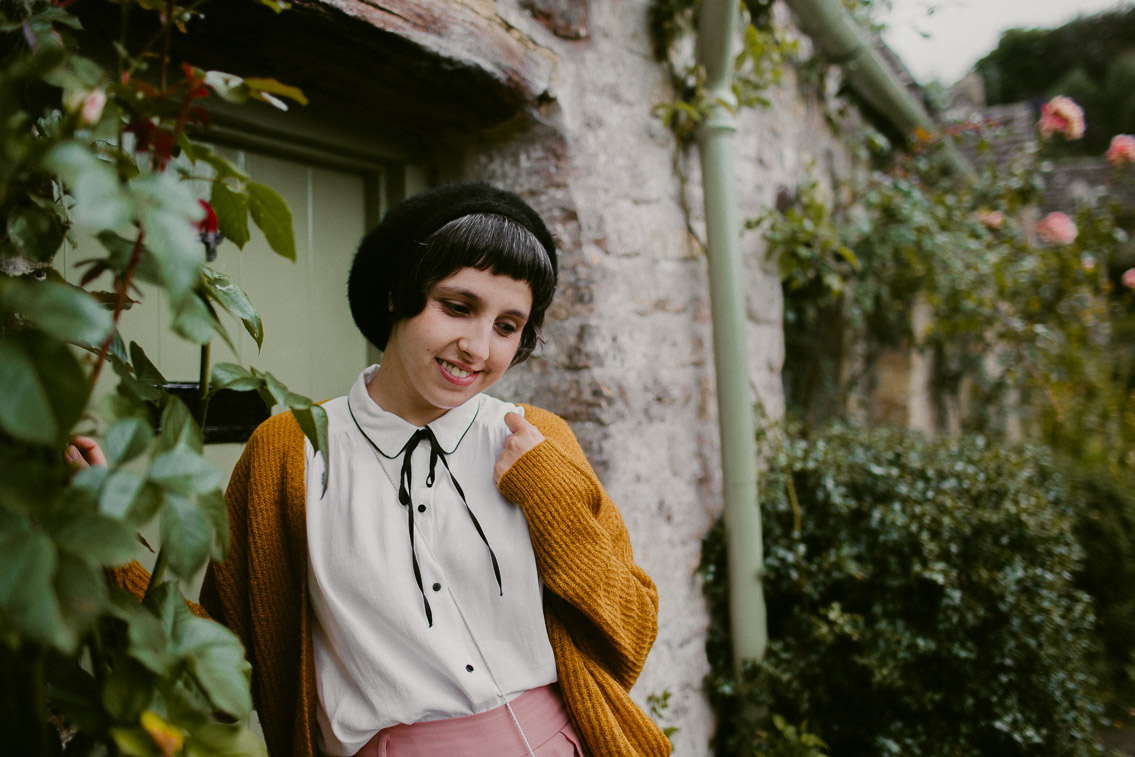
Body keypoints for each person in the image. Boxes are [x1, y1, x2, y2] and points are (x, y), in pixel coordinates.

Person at [110, 182, 670, 757]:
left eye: (507, 326)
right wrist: (106, 556)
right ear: (396, 295)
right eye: (458, 307)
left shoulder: (538, 440)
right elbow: (222, 660)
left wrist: (551, 499)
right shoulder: (289, 453)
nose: (478, 348)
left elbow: (630, 632)